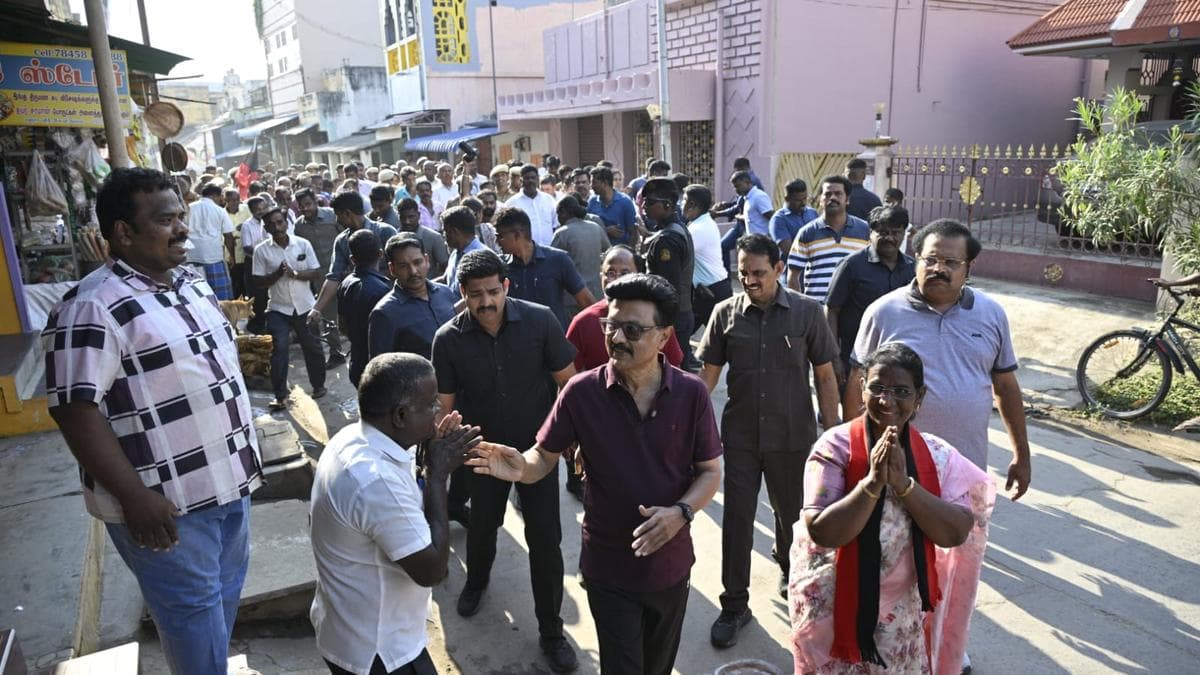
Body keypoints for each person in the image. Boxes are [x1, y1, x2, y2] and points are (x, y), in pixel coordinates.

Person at [45, 168, 262, 675]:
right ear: (123, 232)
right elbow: (74, 410)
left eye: (180, 217)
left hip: (228, 492)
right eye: (166, 220)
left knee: (216, 617)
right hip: (167, 511)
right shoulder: (91, 306)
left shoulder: (190, 283)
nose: (182, 229)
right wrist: (135, 497)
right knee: (193, 623)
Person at [468, 273, 723, 675]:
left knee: (657, 667)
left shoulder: (691, 394)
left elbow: (710, 472)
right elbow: (543, 458)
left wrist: (682, 513)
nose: (617, 338)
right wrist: (522, 467)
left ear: (663, 337)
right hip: (609, 568)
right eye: (611, 326)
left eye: (633, 329)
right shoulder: (581, 392)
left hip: (671, 567)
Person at [790, 342, 994, 674]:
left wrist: (904, 486)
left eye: (901, 391)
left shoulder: (937, 455)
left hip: (899, 612)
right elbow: (823, 531)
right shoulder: (834, 446)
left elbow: (956, 531)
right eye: (877, 388)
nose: (887, 401)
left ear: (919, 397)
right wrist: (871, 483)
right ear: (861, 387)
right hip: (832, 604)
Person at [431, 250, 579, 673]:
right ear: (463, 293)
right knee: (482, 528)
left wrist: (568, 444)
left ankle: (552, 631)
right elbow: (444, 405)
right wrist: (445, 435)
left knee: (545, 541)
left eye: (493, 291)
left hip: (538, 453)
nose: (486, 302)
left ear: (506, 287)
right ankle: (476, 583)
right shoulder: (448, 338)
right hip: (481, 454)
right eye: (476, 295)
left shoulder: (540, 321)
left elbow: (568, 386)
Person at [697, 233, 841, 648]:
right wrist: (686, 423)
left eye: (759, 273)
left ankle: (793, 579)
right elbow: (706, 377)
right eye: (743, 273)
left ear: (779, 269)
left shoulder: (807, 313)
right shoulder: (724, 314)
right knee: (738, 521)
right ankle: (734, 603)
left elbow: (826, 375)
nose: (750, 281)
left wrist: (832, 436)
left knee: (793, 519)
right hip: (740, 438)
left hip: (793, 437)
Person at [309, 353, 482, 675]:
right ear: (401, 415)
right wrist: (437, 475)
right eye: (430, 405)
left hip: (350, 628)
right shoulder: (374, 481)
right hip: (378, 649)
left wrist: (428, 453)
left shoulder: (354, 437)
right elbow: (432, 570)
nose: (438, 411)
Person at [369, 233, 470, 529]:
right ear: (391, 270)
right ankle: (428, 521)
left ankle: (454, 506)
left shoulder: (447, 295)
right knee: (427, 468)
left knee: (465, 457)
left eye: (417, 262)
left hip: (460, 394)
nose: (413, 271)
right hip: (419, 407)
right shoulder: (385, 313)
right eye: (403, 266)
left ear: (427, 261)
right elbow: (381, 370)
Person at [825, 206, 916, 382]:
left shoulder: (913, 269)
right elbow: (831, 310)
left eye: (895, 232)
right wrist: (834, 358)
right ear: (871, 233)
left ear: (904, 234)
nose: (889, 237)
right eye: (882, 232)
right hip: (856, 359)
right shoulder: (851, 265)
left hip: (900, 364)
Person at [253, 207, 328, 410]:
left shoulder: (302, 244)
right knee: (279, 350)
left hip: (304, 305)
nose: (276, 228)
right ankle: (280, 395)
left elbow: (315, 271)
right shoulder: (261, 251)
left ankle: (319, 386)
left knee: (312, 347)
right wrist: (276, 274)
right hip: (279, 308)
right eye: (271, 225)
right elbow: (258, 283)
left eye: (280, 222)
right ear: (266, 228)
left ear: (286, 223)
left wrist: (296, 274)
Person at [566, 245, 685, 373]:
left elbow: (674, 371)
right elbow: (568, 378)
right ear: (601, 276)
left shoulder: (655, 319)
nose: (617, 279)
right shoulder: (583, 322)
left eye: (625, 273)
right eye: (610, 273)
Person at [308, 191, 397, 348]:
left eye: (338, 215)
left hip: (392, 300)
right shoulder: (342, 241)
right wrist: (317, 309)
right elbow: (333, 278)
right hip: (364, 305)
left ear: (347, 213)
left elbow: (400, 265)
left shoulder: (386, 232)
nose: (337, 220)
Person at [496, 206, 595, 329]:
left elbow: (586, 301)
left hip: (554, 343)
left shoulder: (558, 260)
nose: (497, 242)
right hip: (518, 344)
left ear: (517, 235)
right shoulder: (500, 266)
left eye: (500, 236)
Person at [639, 177, 698, 370]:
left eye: (649, 203)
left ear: (666, 205)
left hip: (672, 317)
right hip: (679, 313)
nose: (644, 207)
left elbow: (666, 286)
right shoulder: (674, 229)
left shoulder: (668, 240)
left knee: (672, 375)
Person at [787, 175, 871, 303]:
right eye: (827, 194)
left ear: (847, 199)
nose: (833, 198)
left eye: (838, 194)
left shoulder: (864, 230)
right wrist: (799, 308)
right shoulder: (807, 232)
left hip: (852, 309)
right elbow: (793, 276)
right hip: (816, 311)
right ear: (820, 200)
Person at [295, 187, 348, 368]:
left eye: (308, 204)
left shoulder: (332, 216)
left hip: (345, 271)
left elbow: (347, 236)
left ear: (315, 201)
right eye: (301, 206)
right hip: (322, 277)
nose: (305, 209)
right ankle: (336, 352)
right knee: (328, 316)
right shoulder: (299, 226)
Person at [337, 230, 391, 387]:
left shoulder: (345, 284)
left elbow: (342, 326)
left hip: (357, 361)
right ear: (381, 254)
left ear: (352, 259)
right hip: (379, 366)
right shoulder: (382, 290)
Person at [681, 184, 732, 332]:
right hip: (705, 291)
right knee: (683, 334)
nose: (681, 204)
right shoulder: (699, 223)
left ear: (692, 205)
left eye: (683, 200)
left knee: (723, 340)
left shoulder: (699, 229)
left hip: (713, 292)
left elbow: (679, 252)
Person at [551, 195, 610, 302]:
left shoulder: (562, 233)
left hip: (572, 297)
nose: (558, 219)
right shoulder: (596, 227)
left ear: (563, 212)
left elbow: (550, 264)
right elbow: (610, 252)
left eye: (558, 214)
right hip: (596, 294)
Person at [185, 182, 237, 300]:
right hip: (214, 257)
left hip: (192, 257)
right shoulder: (219, 210)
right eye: (220, 197)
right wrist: (232, 256)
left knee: (197, 295)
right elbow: (228, 235)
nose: (221, 200)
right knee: (220, 298)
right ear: (215, 196)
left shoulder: (189, 208)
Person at [396, 197, 449, 280]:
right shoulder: (394, 238)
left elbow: (445, 266)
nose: (407, 221)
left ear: (418, 215)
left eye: (411, 217)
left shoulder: (433, 237)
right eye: (403, 217)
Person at [504, 164, 558, 246]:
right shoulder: (512, 203)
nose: (530, 181)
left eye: (533, 178)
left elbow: (555, 225)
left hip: (549, 249)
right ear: (521, 181)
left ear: (538, 179)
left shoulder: (549, 200)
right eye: (527, 178)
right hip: (524, 252)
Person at [441, 205, 487, 297]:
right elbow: (445, 279)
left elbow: (479, 295)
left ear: (455, 231)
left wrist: (452, 310)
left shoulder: (483, 258)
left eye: (445, 231)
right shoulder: (455, 254)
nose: (443, 236)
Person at [768, 178, 819, 261]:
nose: (803, 203)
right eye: (798, 200)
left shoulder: (812, 213)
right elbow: (790, 251)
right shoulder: (778, 220)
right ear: (787, 198)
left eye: (805, 198)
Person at [588, 166, 638, 246]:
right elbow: (589, 230)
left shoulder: (625, 202)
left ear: (605, 183)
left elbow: (633, 232)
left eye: (594, 182)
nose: (591, 186)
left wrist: (629, 253)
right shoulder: (592, 202)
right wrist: (606, 230)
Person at [224, 187, 253, 299]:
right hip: (230, 255)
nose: (235, 202)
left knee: (246, 284)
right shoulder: (222, 213)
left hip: (245, 252)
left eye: (237, 199)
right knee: (234, 283)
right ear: (225, 200)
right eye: (232, 200)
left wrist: (245, 227)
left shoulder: (246, 209)